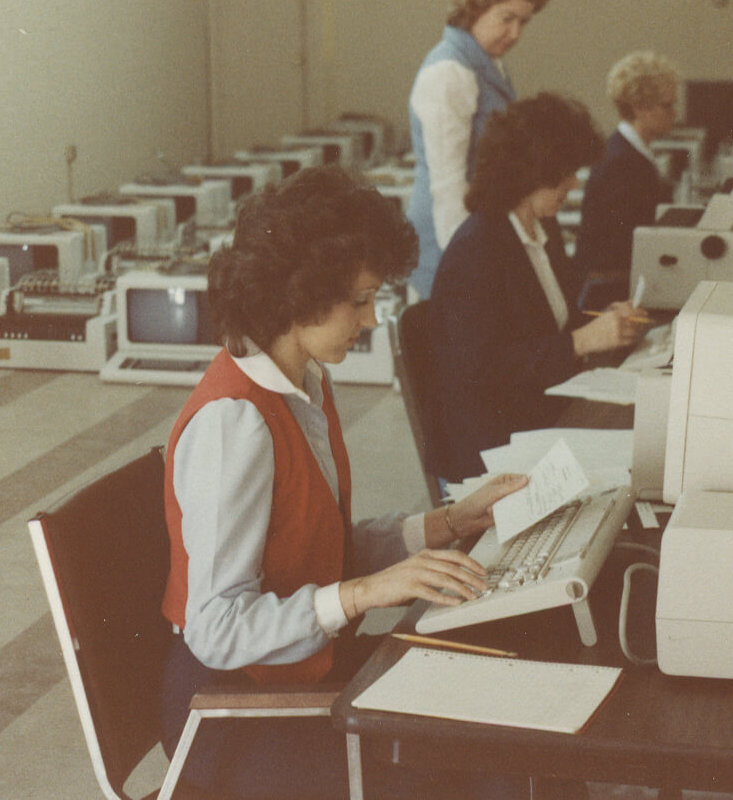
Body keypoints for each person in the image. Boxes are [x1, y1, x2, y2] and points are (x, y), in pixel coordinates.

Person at [160, 165, 535, 799]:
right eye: (359, 300)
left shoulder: (301, 381)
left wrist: (448, 523)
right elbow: (217, 629)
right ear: (298, 296)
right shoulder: (236, 425)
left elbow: (309, 544)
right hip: (232, 717)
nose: (369, 319)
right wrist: (363, 594)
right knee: (491, 758)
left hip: (293, 679)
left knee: (500, 713)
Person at [429, 93, 648, 483]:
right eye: (567, 171)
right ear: (532, 170)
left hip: (540, 408)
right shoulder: (476, 250)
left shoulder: (542, 227)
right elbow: (483, 368)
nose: (575, 182)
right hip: (496, 441)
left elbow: (548, 324)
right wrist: (582, 341)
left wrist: (604, 323)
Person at [406, 0, 553, 298]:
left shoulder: (488, 62)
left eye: (524, 22)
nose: (515, 33)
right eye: (507, 18)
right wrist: (472, 270)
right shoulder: (449, 72)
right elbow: (449, 188)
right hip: (447, 251)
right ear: (476, 6)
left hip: (476, 239)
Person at [573, 50, 680, 308]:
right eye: (668, 105)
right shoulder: (620, 161)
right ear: (639, 108)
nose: (675, 113)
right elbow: (613, 249)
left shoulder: (630, 153)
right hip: (609, 295)